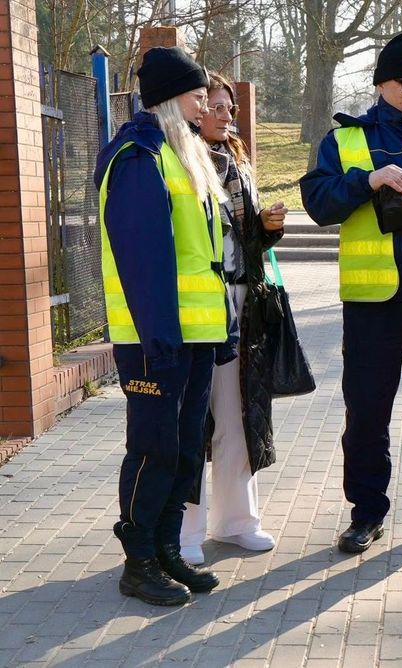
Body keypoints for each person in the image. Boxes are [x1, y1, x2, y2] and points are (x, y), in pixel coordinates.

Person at [299, 34, 402, 555]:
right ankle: (367, 512)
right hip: (373, 306)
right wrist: (367, 180)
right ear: (382, 85)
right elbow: (318, 204)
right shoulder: (347, 140)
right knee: (367, 412)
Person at [94, 46, 236, 605]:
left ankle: (168, 548)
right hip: (158, 339)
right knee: (153, 448)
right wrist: (161, 336)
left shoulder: (179, 154)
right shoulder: (137, 156)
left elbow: (202, 256)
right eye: (198, 95)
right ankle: (140, 561)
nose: (206, 104)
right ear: (170, 100)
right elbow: (143, 259)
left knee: (182, 447)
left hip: (193, 336)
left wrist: (216, 330)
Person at [179, 72, 288, 565]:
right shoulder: (179, 161)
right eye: (216, 106)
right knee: (194, 419)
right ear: (195, 109)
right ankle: (186, 531)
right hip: (199, 304)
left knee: (238, 411)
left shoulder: (238, 163)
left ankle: (237, 521)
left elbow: (246, 243)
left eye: (230, 109)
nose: (226, 115)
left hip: (242, 301)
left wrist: (267, 229)